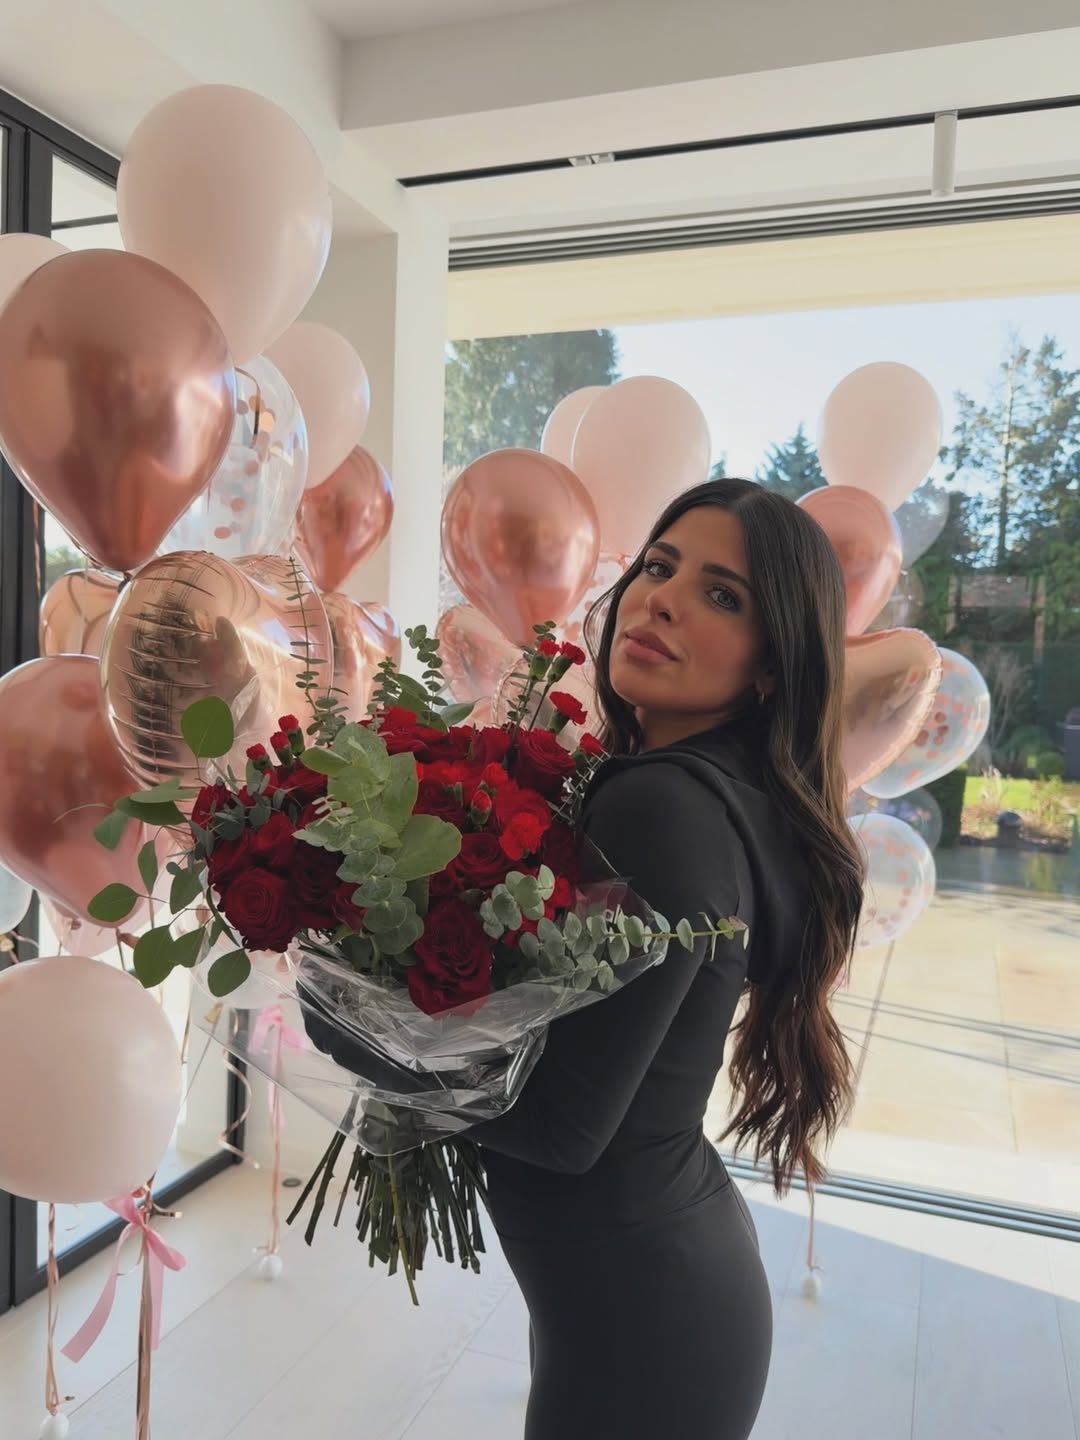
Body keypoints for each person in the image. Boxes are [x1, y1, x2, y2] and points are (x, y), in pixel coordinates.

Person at [469, 477, 865, 1440]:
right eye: (658, 566)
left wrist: (365, 1035)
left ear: (772, 669)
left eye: (722, 595)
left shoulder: (663, 807)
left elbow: (565, 1131)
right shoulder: (708, 792)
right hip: (650, 1293)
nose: (663, 599)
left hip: (640, 1318)